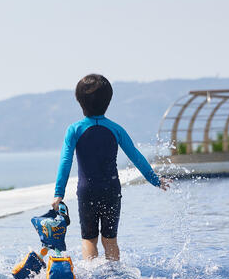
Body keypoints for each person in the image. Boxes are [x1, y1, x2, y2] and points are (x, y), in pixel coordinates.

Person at [51, 74, 169, 261]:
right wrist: (155, 180)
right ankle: (114, 275)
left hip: (87, 191)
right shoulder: (116, 129)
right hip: (111, 190)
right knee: (110, 240)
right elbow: (136, 157)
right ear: (108, 101)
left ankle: (91, 276)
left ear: (79, 101)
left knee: (89, 240)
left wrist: (59, 193)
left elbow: (66, 161)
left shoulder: (74, 130)